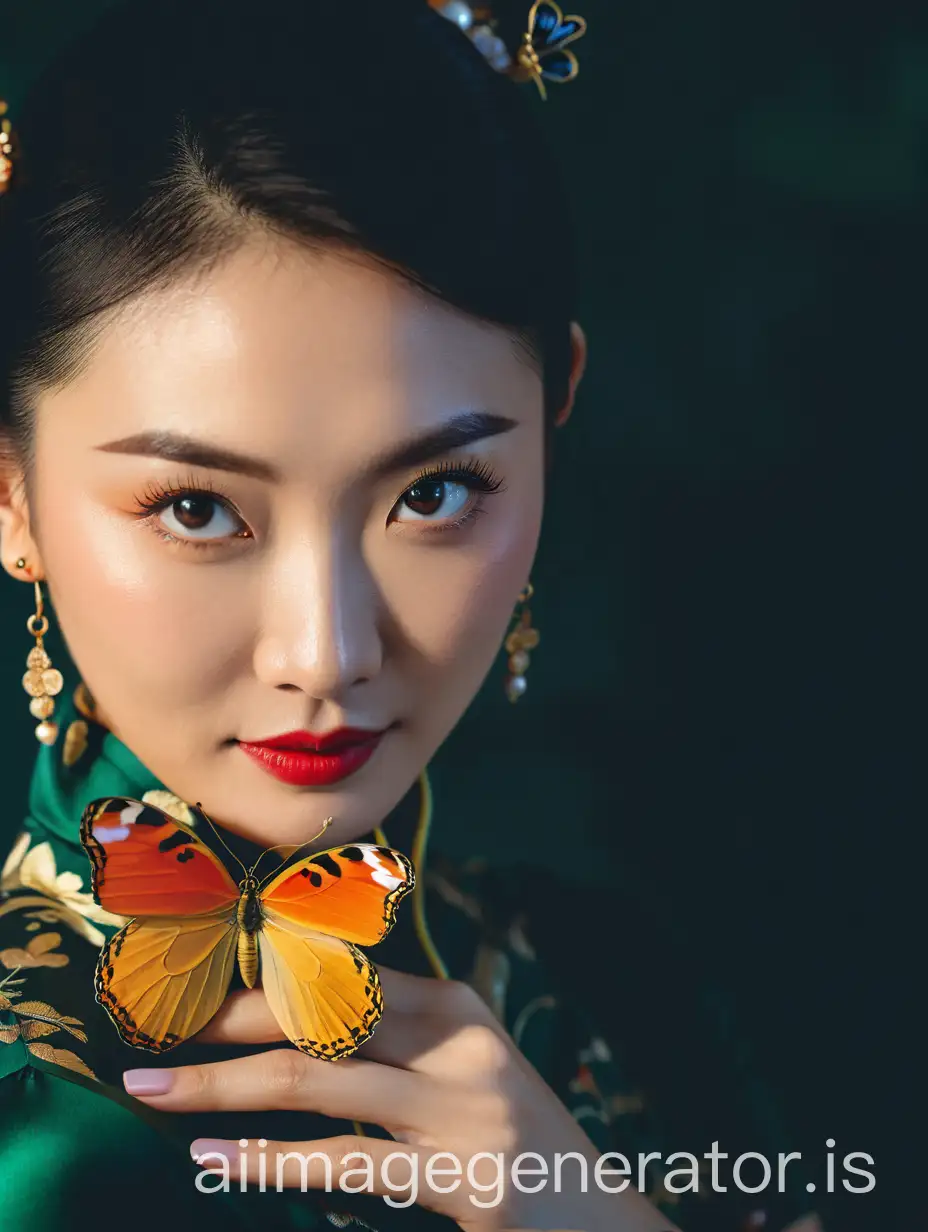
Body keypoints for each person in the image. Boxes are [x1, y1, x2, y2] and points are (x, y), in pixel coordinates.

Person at [0, 1, 825, 1228]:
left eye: (433, 493)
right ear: (11, 494)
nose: (326, 652)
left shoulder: (611, 981)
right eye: (192, 509)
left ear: (554, 421)